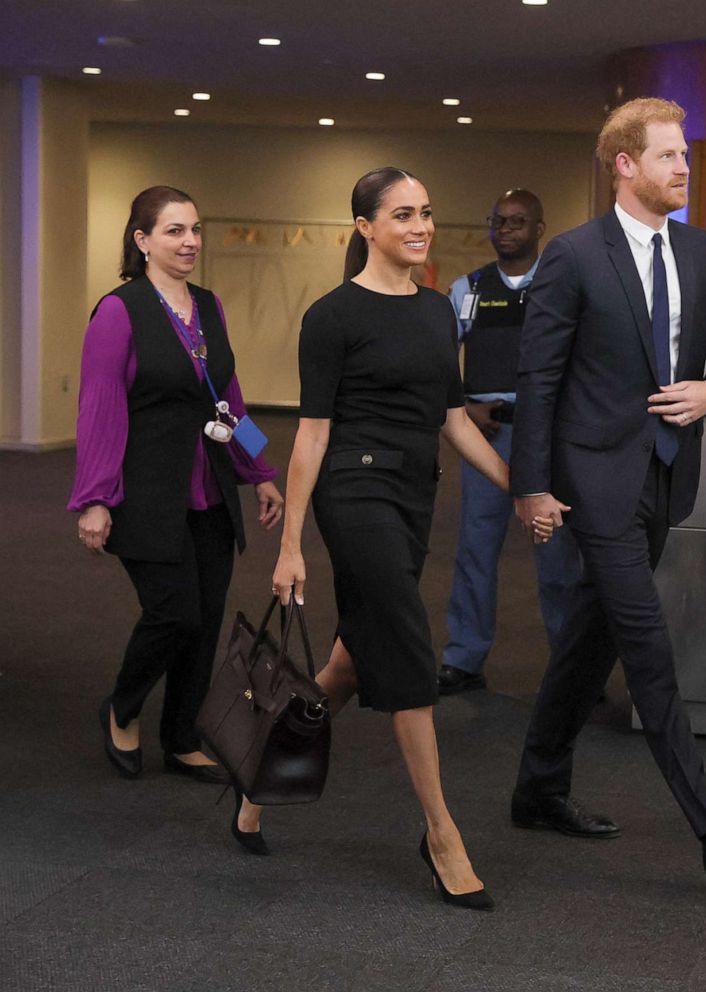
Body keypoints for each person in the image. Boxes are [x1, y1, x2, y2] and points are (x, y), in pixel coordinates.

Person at [235, 167, 553, 908]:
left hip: (412, 496)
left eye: (427, 213)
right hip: (355, 492)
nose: (420, 226)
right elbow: (312, 436)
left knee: (349, 664)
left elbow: (450, 420)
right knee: (410, 651)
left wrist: (516, 486)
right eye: (403, 214)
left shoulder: (440, 312)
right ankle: (440, 833)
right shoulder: (332, 316)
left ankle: (257, 780)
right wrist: (291, 547)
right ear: (365, 228)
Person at [509, 98, 706, 884]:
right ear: (624, 165)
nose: (683, 169)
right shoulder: (572, 255)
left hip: (666, 477)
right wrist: (530, 486)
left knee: (589, 641)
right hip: (594, 481)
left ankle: (536, 788)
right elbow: (538, 378)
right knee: (647, 646)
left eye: (685, 157)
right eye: (667, 156)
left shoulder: (696, 250)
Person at [69, 185, 284, 785]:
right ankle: (123, 704)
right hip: (146, 491)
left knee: (206, 617)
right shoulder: (120, 310)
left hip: (209, 490)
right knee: (175, 612)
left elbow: (229, 397)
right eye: (174, 231)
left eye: (195, 229)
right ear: (142, 241)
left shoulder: (209, 307)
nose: (190, 241)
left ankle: (182, 738)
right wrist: (94, 497)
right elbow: (100, 407)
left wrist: (260, 469)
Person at [438, 189, 582, 696]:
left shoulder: (563, 286)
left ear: (539, 228)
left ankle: (570, 667)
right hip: (488, 436)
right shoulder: (468, 289)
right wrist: (465, 407)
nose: (505, 230)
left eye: (517, 222)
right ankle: (464, 657)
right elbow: (435, 365)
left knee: (558, 555)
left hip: (547, 440)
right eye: (497, 221)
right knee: (475, 548)